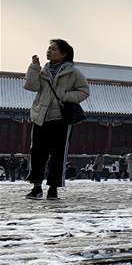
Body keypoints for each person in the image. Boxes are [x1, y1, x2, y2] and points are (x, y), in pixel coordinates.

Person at [23, 39, 90, 199]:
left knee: (58, 155)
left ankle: (53, 188)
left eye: (53, 49)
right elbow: (31, 86)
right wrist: (34, 68)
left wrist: (65, 96)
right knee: (37, 153)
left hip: (60, 119)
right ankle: (36, 187)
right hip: (41, 117)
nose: (49, 51)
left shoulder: (73, 73)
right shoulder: (43, 71)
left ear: (63, 54)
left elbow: (84, 91)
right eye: (49, 49)